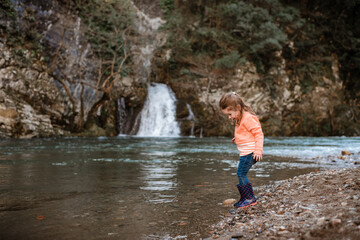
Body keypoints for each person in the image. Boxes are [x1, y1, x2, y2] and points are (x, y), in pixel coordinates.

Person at [219, 92, 264, 209]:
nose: (229, 117)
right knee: (240, 173)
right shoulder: (240, 117)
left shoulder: (248, 118)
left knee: (241, 173)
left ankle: (249, 199)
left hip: (250, 153)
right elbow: (246, 133)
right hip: (246, 152)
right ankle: (245, 198)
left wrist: (258, 150)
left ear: (238, 107)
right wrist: (238, 138)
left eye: (230, 114)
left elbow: (258, 134)